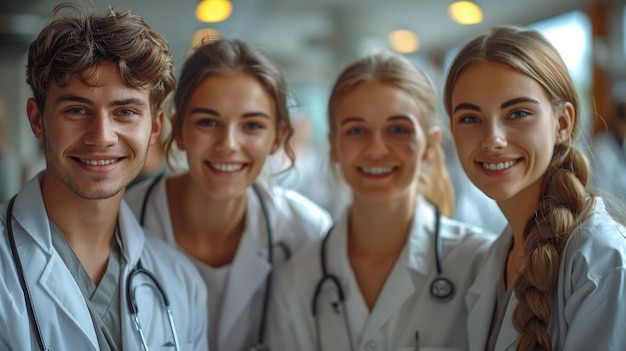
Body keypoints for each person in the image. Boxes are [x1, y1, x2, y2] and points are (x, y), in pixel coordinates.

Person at [0, 4, 209, 350]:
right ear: (37, 119)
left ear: (154, 127)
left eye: (125, 112)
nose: (101, 136)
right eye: (77, 110)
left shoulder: (179, 281)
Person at [266, 51, 495, 351]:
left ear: (429, 144)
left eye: (398, 129)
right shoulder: (296, 280)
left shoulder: (480, 264)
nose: (376, 149)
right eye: (356, 130)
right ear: (334, 146)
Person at [124, 37, 333, 351]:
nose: (228, 144)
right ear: (179, 131)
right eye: (208, 122)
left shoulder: (308, 231)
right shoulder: (123, 222)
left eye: (252, 126)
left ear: (278, 137)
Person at [444, 25, 626, 351]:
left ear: (562, 124)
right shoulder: (498, 256)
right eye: (471, 119)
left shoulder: (602, 259)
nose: (493, 139)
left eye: (518, 113)